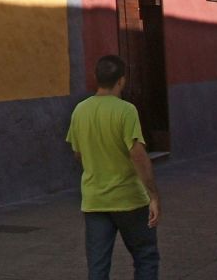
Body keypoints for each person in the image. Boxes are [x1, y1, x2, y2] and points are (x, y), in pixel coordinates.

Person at [67, 55, 161, 280]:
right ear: (121, 80)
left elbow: (78, 153)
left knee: (98, 268)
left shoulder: (80, 110)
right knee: (145, 257)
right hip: (129, 199)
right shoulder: (126, 110)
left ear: (95, 78)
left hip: (95, 200)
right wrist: (153, 195)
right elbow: (138, 155)